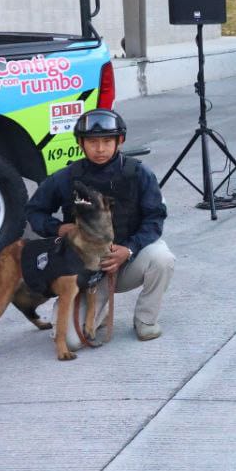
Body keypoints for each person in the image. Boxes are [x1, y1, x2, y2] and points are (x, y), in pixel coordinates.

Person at [25, 109, 174, 344]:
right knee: (71, 342)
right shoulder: (66, 177)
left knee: (162, 258)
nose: (100, 149)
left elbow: (155, 218)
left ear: (120, 141)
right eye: (93, 142)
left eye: (107, 141)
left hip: (128, 259)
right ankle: (93, 311)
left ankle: (146, 320)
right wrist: (57, 229)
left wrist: (129, 249)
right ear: (80, 143)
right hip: (85, 270)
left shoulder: (139, 173)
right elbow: (34, 210)